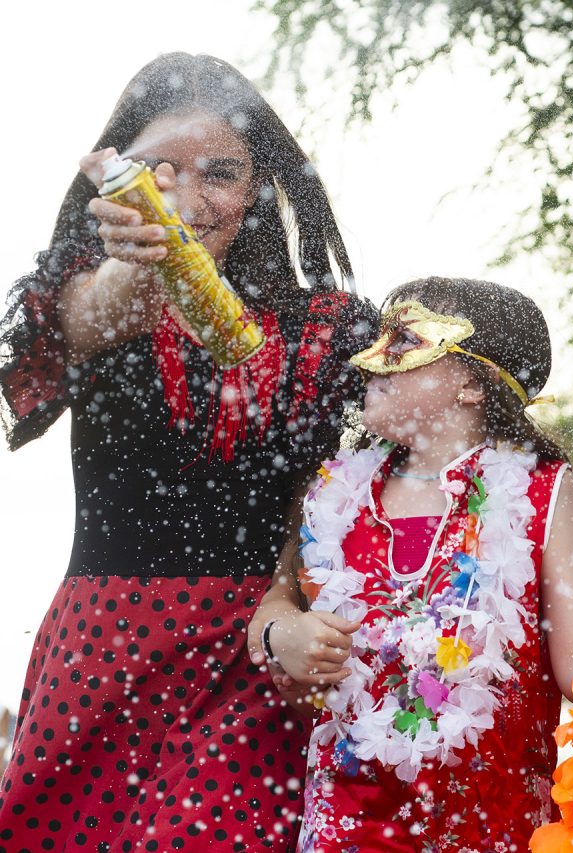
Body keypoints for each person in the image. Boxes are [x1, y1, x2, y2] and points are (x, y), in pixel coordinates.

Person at [0, 53, 377, 850]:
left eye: (221, 173)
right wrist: (136, 257)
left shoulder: (332, 331)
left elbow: (356, 488)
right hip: (105, 652)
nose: (189, 198)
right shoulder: (81, 292)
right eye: (157, 171)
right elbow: (103, 312)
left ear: (260, 188)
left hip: (259, 649)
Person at [247, 277, 573, 852]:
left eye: (403, 341)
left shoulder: (544, 494)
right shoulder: (333, 492)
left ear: (470, 383)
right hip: (348, 820)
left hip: (490, 821)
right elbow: (275, 605)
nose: (370, 359)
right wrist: (284, 633)